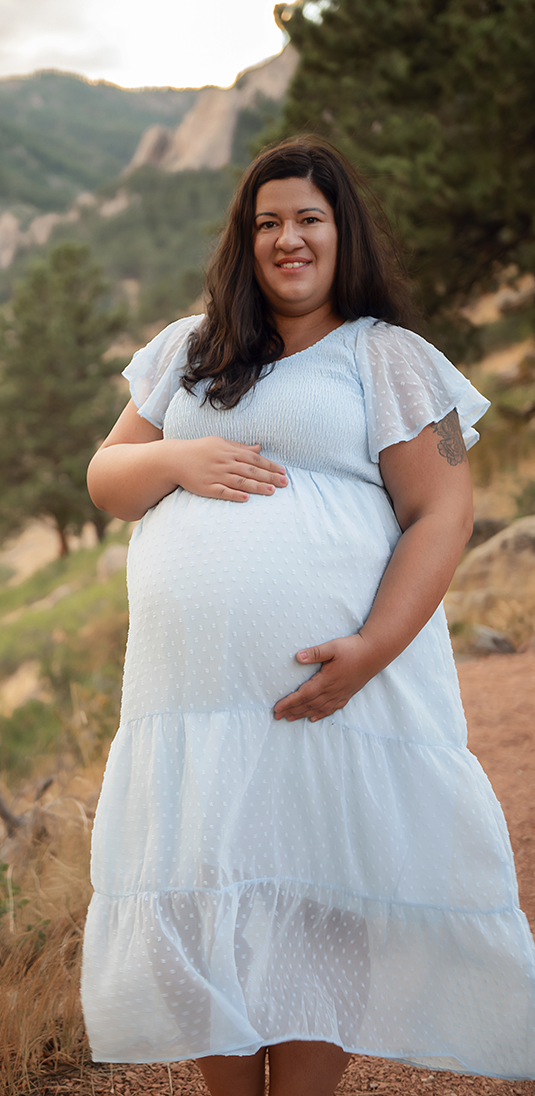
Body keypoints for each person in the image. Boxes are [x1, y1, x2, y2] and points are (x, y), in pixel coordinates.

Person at [80, 137, 535, 1096]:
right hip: (191, 703)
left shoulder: (390, 356)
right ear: (245, 242)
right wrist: (177, 458)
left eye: (308, 219)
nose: (288, 238)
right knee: (201, 896)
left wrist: (372, 648)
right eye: (268, 222)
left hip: (329, 692)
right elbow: (108, 479)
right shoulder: (188, 348)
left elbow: (444, 512)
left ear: (342, 233)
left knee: (322, 896)